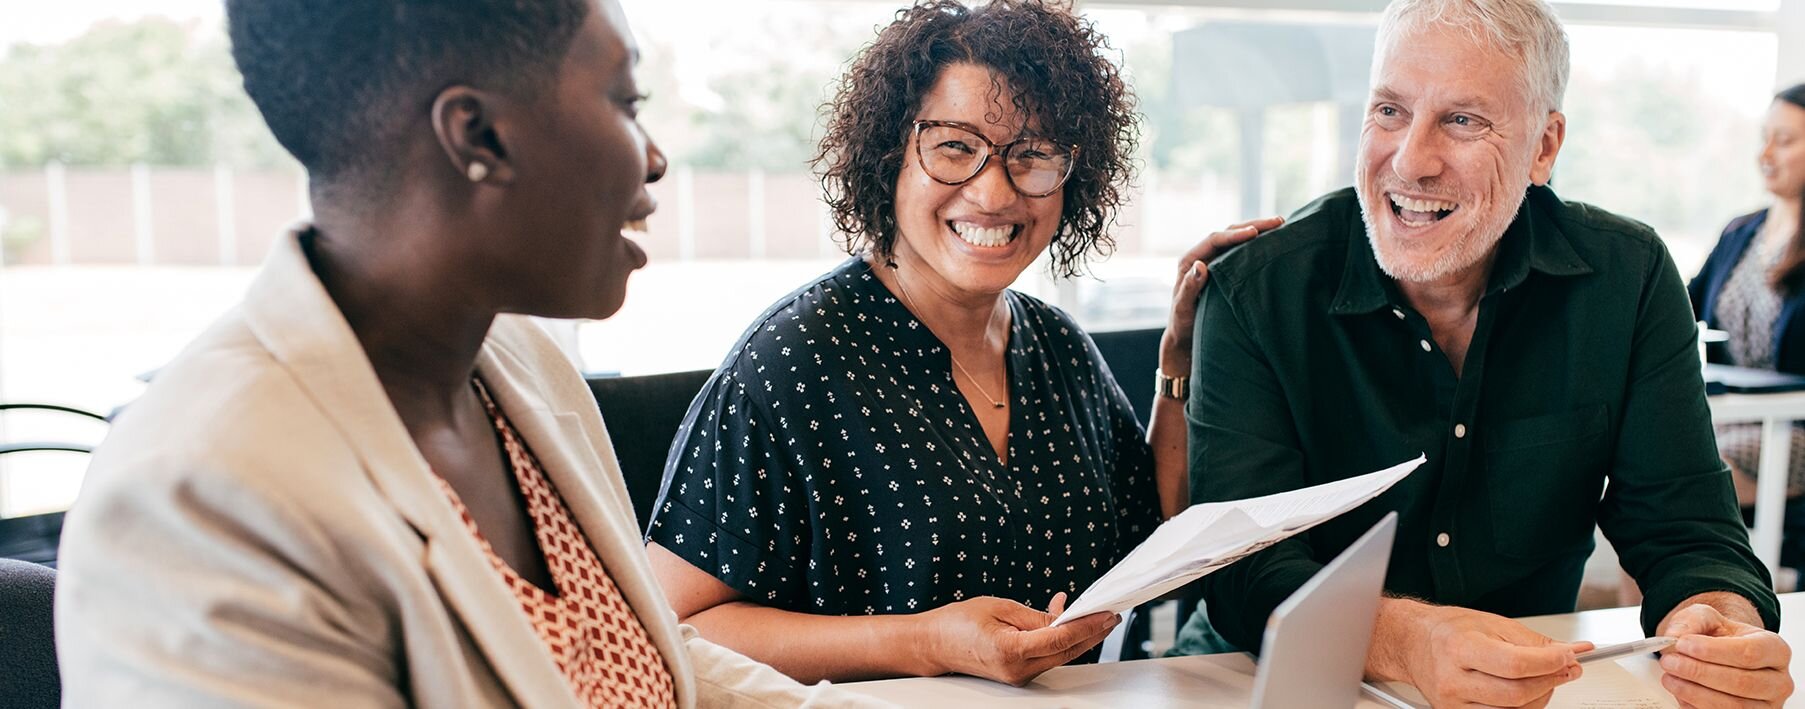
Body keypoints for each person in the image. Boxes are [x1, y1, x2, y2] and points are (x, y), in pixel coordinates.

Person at [53, 1, 882, 706]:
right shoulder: (201, 500)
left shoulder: (514, 358)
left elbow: (630, 653)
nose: (654, 157)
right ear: (478, 134)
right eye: (626, 101)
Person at [1176, 1, 1793, 708]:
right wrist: (1409, 637)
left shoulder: (1629, 277)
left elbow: (1685, 526)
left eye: (1462, 121)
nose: (1410, 160)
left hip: (1526, 687)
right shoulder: (1256, 290)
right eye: (1388, 111)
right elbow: (1239, 566)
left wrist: (1713, 622)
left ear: (1543, 146)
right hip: (1254, 679)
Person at [644, 0, 1275, 686]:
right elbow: (677, 625)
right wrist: (924, 641)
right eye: (954, 147)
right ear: (889, 156)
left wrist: (1178, 358)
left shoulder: (1056, 346)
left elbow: (1154, 529)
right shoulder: (792, 362)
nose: (994, 190)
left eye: (1031, 155)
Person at [1690, 84, 1805, 519]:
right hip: (1731, 415)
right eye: (1765, 137)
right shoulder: (1741, 232)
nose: (1766, 154)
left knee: (1681, 488)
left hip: (1794, 429)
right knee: (1638, 474)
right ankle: (1654, 594)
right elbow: (1682, 310)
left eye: (1786, 140)